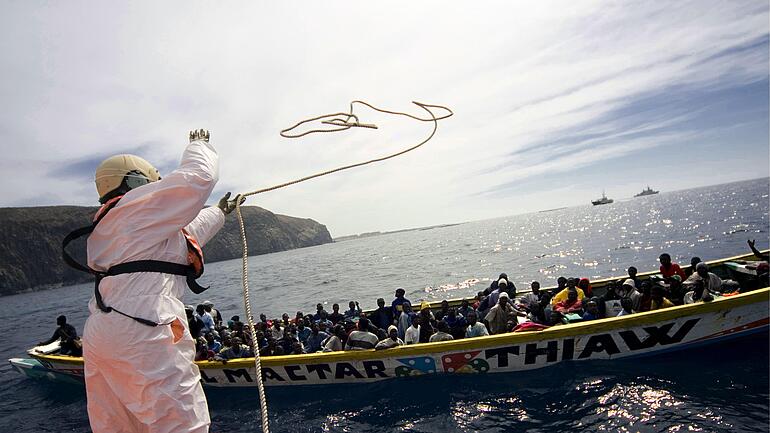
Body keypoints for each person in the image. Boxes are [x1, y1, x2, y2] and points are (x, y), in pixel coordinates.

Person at [78, 130, 243, 433]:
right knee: (181, 422)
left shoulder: (113, 225)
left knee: (117, 425)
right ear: (139, 181)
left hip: (103, 333)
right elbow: (200, 176)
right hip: (144, 325)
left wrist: (218, 213)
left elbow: (182, 238)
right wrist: (199, 144)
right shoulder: (136, 208)